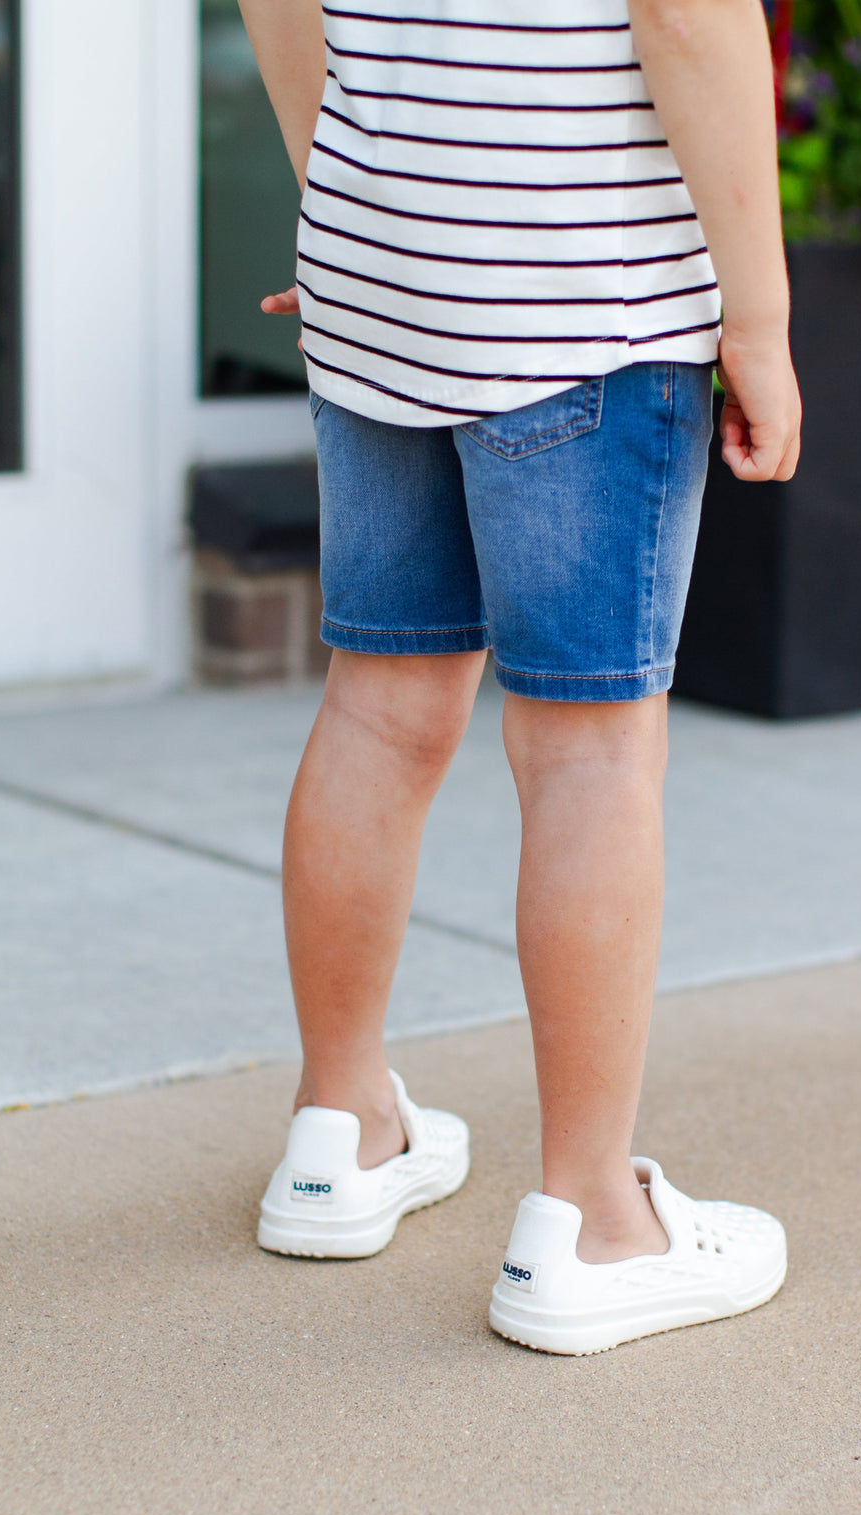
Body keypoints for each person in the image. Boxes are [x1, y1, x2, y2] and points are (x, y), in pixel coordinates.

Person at [242, 0, 801, 1355]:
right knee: (592, 754)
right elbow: (685, 14)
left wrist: (356, 199)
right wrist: (762, 322)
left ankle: (338, 1131)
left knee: (376, 704)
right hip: (582, 301)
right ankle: (595, 1222)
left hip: (380, 282)